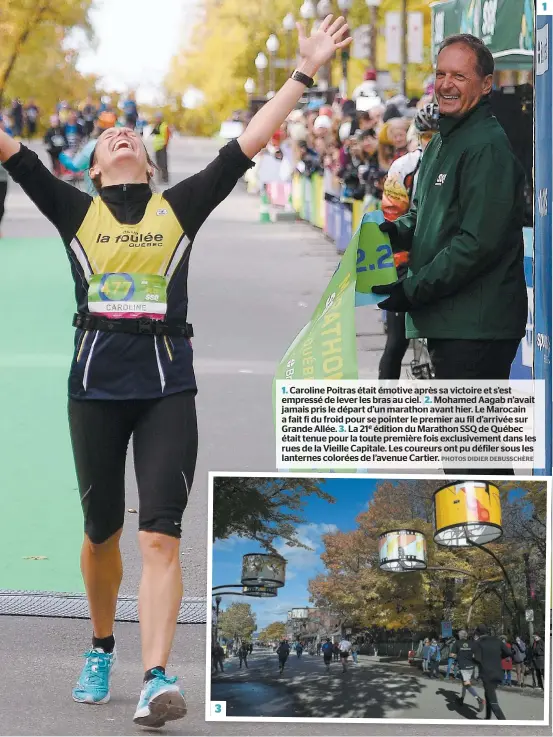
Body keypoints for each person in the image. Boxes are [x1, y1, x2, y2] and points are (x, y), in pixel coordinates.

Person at [0, 14, 352, 728]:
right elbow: (11, 150)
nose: (122, 134)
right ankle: (101, 644)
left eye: (131, 133)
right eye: (108, 137)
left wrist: (305, 70)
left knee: (160, 532)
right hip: (94, 391)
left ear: (152, 163)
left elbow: (249, 142)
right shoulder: (72, 210)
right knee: (102, 531)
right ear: (94, 169)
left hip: (167, 388)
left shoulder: (178, 208)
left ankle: (155, 675)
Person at [374, 34, 527, 475]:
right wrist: (390, 233)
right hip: (452, 322)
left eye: (459, 75)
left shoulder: (487, 147)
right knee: (463, 462)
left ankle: (505, 543)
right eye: (441, 73)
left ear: (485, 85)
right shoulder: (443, 138)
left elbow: (475, 243)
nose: (446, 84)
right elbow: (423, 217)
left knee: (476, 464)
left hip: (477, 329)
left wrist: (413, 290)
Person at [378, 103, 440, 379]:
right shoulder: (403, 167)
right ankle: (383, 414)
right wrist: (399, 267)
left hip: (442, 265)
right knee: (396, 344)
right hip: (408, 262)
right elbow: (391, 218)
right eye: (427, 136)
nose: (432, 141)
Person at [471, 624, 510, 719]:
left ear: (478, 633)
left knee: (492, 700)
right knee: (488, 693)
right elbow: (509, 653)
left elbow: (477, 658)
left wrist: (474, 660)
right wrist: (498, 658)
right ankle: (488, 718)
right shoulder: (497, 640)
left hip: (486, 673)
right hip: (498, 671)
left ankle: (504, 722)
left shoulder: (478, 642)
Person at [452, 630, 485, 712]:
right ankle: (461, 699)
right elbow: (476, 654)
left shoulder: (457, 643)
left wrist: (458, 657)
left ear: (460, 636)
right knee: (464, 683)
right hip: (471, 666)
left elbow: (452, 655)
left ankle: (479, 699)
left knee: (467, 684)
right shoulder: (472, 643)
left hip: (463, 667)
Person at [150, 112, 171, 184]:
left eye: (158, 117)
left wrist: (166, 144)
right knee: (158, 164)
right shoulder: (156, 126)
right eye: (156, 118)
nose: (157, 119)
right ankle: (159, 178)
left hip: (162, 147)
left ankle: (165, 178)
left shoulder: (164, 126)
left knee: (163, 163)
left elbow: (168, 135)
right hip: (157, 147)